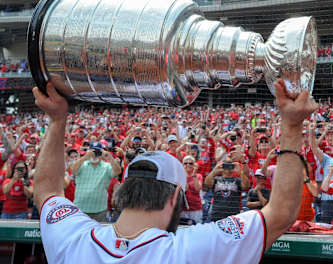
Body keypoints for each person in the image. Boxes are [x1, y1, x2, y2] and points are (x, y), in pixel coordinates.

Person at [33, 79, 318, 263]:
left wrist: (57, 120)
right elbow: (280, 213)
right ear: (176, 197)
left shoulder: (73, 240)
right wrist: (292, 127)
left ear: (121, 192)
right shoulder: (190, 251)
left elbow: (46, 190)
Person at [70, 141, 121, 222]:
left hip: (100, 210)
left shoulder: (106, 166)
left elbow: (118, 172)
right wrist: (84, 157)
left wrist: (110, 158)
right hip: (81, 208)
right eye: (93, 152)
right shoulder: (82, 164)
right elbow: (73, 170)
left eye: (97, 152)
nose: (95, 154)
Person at [204, 157, 249, 221]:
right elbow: (207, 183)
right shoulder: (216, 179)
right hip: (217, 213)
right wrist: (214, 171)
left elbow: (246, 186)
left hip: (233, 214)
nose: (228, 168)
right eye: (226, 165)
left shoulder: (237, 180)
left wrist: (240, 172)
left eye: (230, 165)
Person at [181, 155, 203, 224]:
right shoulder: (180, 176)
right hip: (183, 209)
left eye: (191, 163)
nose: (188, 165)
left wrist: (194, 174)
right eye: (185, 163)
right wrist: (184, 173)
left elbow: (197, 189)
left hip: (196, 208)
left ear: (194, 165)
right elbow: (185, 189)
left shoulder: (198, 176)